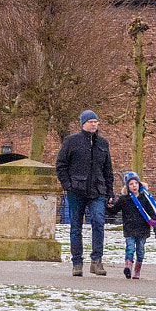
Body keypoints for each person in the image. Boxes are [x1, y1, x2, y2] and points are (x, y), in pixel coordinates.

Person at [55, 109, 113, 277]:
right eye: (91, 122)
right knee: (75, 227)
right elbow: (61, 164)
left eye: (96, 121)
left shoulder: (103, 144)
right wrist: (67, 185)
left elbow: (108, 170)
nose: (94, 124)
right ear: (83, 123)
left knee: (98, 223)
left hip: (97, 190)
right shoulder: (71, 142)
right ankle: (77, 263)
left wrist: (109, 192)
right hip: (76, 190)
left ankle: (96, 261)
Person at [109, 171, 156, 280]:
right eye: (131, 184)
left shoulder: (144, 198)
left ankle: (137, 270)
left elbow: (151, 213)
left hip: (142, 228)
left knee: (140, 249)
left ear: (139, 184)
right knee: (130, 248)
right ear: (127, 186)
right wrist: (108, 205)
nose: (134, 186)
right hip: (129, 228)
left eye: (136, 183)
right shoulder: (124, 199)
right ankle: (128, 267)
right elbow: (114, 210)